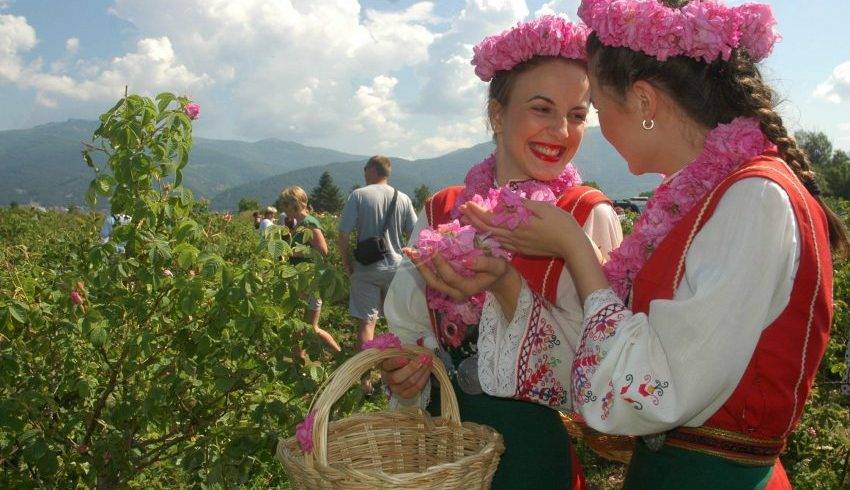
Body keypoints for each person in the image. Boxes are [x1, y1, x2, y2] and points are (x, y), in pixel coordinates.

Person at [448, 1, 849, 488]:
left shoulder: (755, 199)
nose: (590, 128)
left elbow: (652, 389)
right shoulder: (713, 198)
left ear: (641, 102)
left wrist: (575, 247)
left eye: (592, 107)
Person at [380, 16, 623, 490]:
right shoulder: (443, 208)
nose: (560, 130)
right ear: (497, 114)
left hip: (531, 456)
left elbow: (604, 366)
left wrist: (507, 285)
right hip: (442, 450)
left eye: (577, 115)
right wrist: (406, 371)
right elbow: (410, 329)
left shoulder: (587, 216)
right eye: (541, 108)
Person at [337, 155, 417, 392]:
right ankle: (398, 375)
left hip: (366, 269)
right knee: (397, 323)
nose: (363, 172)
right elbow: (414, 235)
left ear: (372, 170)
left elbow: (342, 233)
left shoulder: (359, 195)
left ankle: (365, 380)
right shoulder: (402, 198)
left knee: (367, 323)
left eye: (365, 168)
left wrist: (347, 263)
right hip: (396, 268)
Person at [278, 186, 341, 354]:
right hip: (304, 282)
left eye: (285, 205)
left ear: (294, 205)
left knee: (312, 327)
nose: (283, 209)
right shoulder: (300, 224)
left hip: (312, 283)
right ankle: (297, 363)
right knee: (300, 327)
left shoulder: (309, 223)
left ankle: (341, 356)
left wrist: (292, 252)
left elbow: (322, 250)